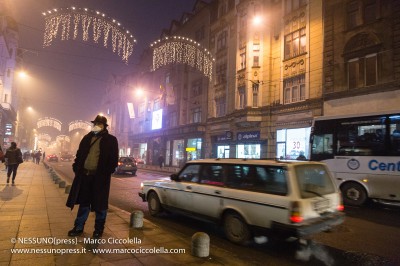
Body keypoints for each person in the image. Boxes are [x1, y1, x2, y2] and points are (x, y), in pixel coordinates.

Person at [66, 115, 119, 238]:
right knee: (84, 203)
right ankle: (78, 227)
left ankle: (98, 229)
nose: (97, 126)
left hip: (100, 178)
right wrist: (76, 167)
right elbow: (79, 155)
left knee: (100, 204)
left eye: (99, 124)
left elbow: (113, 159)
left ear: (104, 127)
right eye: (95, 124)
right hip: (85, 176)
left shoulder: (111, 140)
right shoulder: (86, 138)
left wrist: (106, 172)